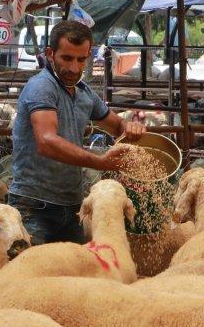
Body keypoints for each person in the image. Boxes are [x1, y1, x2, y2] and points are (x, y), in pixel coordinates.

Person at [10, 20, 146, 245]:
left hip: (73, 207)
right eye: (67, 58)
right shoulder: (42, 87)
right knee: (32, 276)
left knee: (77, 277)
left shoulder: (84, 93)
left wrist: (130, 126)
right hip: (34, 206)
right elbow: (46, 141)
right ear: (50, 54)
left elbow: (116, 125)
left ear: (89, 56)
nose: (74, 68)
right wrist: (100, 162)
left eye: (81, 59)